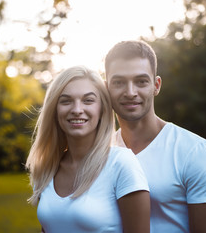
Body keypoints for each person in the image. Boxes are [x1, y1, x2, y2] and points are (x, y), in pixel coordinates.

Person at [104, 40, 206, 233]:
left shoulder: (193, 150)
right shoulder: (102, 153)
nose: (130, 92)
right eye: (119, 82)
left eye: (141, 81)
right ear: (106, 88)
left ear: (156, 85)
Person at [25, 65, 150, 233]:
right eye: (66, 101)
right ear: (54, 110)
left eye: (88, 100)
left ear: (102, 109)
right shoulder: (48, 167)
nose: (77, 110)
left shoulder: (121, 164)